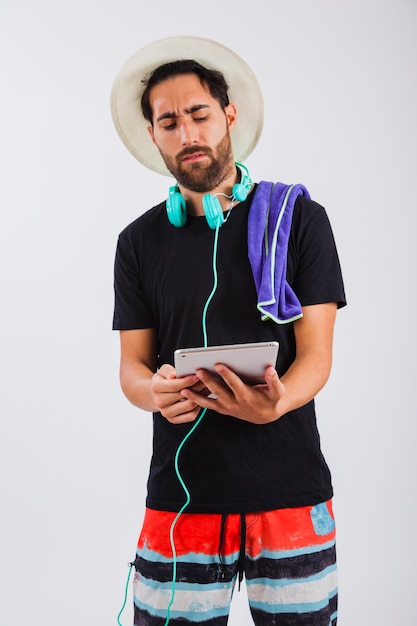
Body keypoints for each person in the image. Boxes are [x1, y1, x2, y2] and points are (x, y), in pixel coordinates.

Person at [111, 36, 346, 626]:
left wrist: (279, 402)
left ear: (228, 115)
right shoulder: (136, 243)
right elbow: (132, 368)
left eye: (199, 114)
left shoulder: (300, 220)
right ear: (153, 135)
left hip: (289, 489)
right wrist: (154, 392)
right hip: (181, 497)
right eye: (169, 122)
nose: (187, 133)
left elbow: (317, 355)